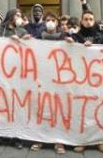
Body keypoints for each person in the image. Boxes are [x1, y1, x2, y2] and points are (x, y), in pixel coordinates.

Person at [65, 9, 103, 154]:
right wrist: (70, 43)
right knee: (81, 110)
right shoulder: (76, 36)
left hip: (97, 78)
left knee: (98, 109)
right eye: (86, 19)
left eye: (91, 19)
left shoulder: (100, 36)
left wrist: (94, 43)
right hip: (80, 79)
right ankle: (81, 141)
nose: (88, 21)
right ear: (82, 21)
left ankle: (99, 141)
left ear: (94, 20)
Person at [0, 9, 31, 149]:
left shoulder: (22, 31)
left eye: (20, 15)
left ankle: (16, 137)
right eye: (17, 15)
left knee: (15, 105)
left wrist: (26, 41)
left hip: (17, 73)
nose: (19, 18)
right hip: (0, 72)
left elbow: (30, 45)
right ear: (11, 17)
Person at [31, 12, 66, 154]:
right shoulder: (38, 37)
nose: (50, 22)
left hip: (59, 78)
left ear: (57, 23)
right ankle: (39, 139)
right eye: (48, 20)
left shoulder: (65, 37)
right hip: (43, 77)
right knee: (42, 108)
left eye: (53, 20)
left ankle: (59, 141)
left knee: (58, 108)